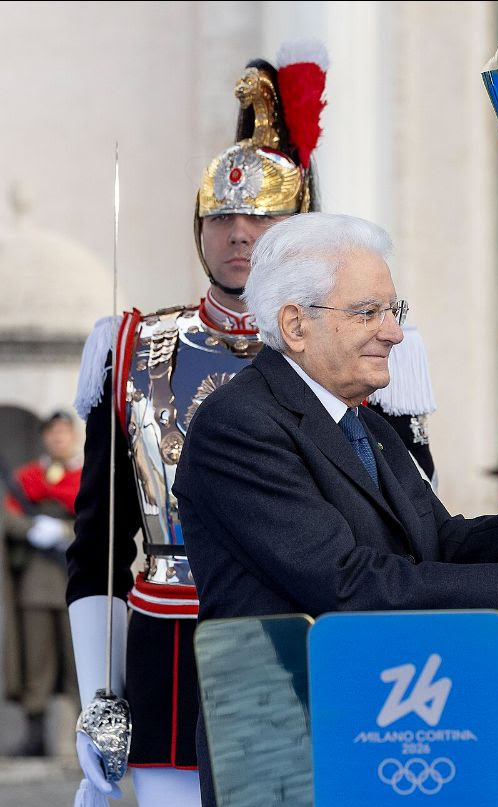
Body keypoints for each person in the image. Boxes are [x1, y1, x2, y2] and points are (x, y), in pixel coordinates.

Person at [172, 211, 498, 806]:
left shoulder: (367, 424)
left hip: (386, 730)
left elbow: (440, 545)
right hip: (289, 749)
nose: (394, 333)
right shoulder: (240, 424)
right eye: (367, 312)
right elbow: (344, 583)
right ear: (295, 325)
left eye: (392, 312)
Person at [62, 46, 433, 806]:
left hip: (313, 635)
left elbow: (410, 525)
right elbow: (100, 543)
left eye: (262, 216)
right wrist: (100, 694)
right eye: (223, 214)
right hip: (173, 653)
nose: (239, 232)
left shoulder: (350, 342)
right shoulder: (128, 347)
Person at [2, 411, 81, 757]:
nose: (57, 439)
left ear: (73, 436)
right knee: (37, 662)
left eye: (63, 433)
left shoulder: (87, 474)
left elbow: (101, 516)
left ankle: (86, 734)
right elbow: (9, 515)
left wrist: (66, 532)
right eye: (52, 434)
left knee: (78, 661)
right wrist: (31, 530)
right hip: (36, 583)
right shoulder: (27, 478)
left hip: (75, 580)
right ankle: (34, 735)